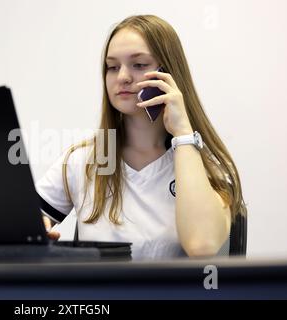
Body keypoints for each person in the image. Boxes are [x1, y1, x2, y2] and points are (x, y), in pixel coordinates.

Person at [36, 15, 247, 259]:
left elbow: (202, 246)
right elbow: (22, 224)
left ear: (169, 73)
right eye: (112, 67)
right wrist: (34, 230)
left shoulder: (204, 165)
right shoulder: (83, 159)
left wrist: (183, 133)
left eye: (139, 65)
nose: (122, 77)